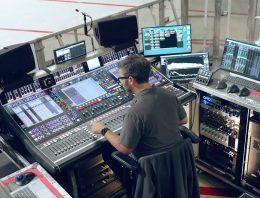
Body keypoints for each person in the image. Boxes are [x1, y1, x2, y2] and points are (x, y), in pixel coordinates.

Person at [91, 54, 188, 159]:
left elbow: (125, 149)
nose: (120, 82)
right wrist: (160, 126)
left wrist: (103, 129)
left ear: (131, 80)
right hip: (179, 160)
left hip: (153, 166)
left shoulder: (135, 112)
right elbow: (184, 119)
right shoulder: (168, 93)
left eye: (120, 78)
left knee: (107, 149)